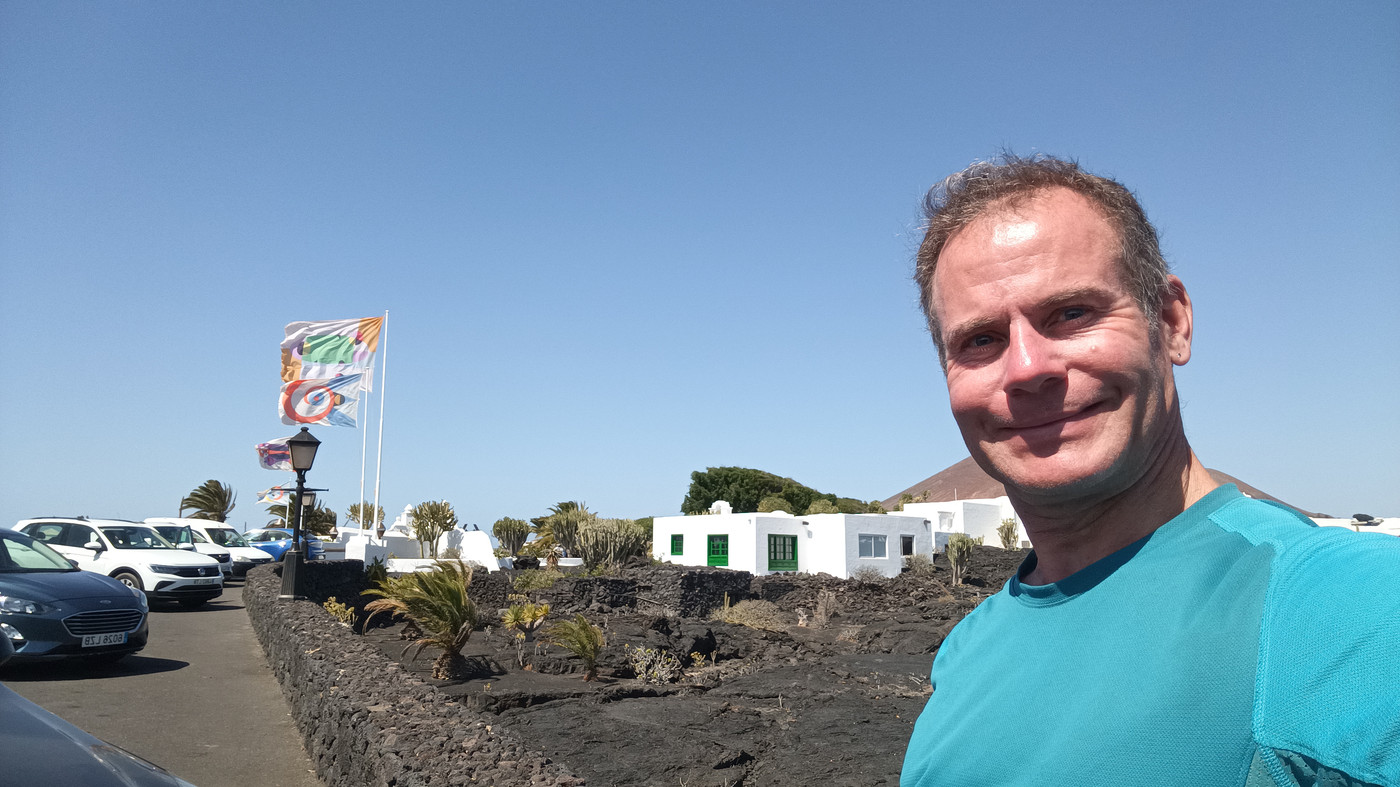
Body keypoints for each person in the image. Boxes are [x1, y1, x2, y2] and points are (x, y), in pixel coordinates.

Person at [899, 154, 1399, 787]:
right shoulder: (968, 649)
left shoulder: (1342, 604)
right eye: (979, 340)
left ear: (1171, 323)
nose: (1026, 367)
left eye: (1072, 313)